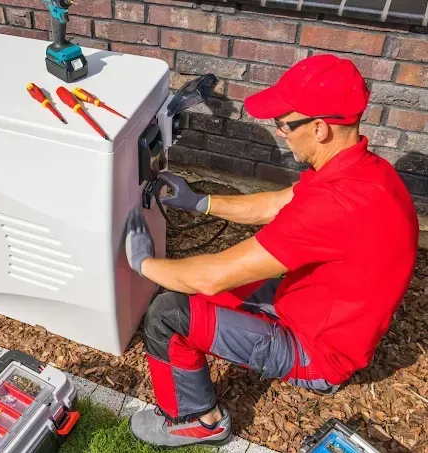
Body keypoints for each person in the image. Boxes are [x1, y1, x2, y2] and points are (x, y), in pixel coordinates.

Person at [123, 54, 419, 448]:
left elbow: (210, 277)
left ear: (319, 129)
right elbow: (276, 203)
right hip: (315, 310)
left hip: (318, 351)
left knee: (166, 314)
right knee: (191, 291)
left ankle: (196, 421)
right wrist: (201, 202)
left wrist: (142, 263)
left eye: (284, 123)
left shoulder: (337, 206)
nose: (279, 132)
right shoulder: (364, 171)